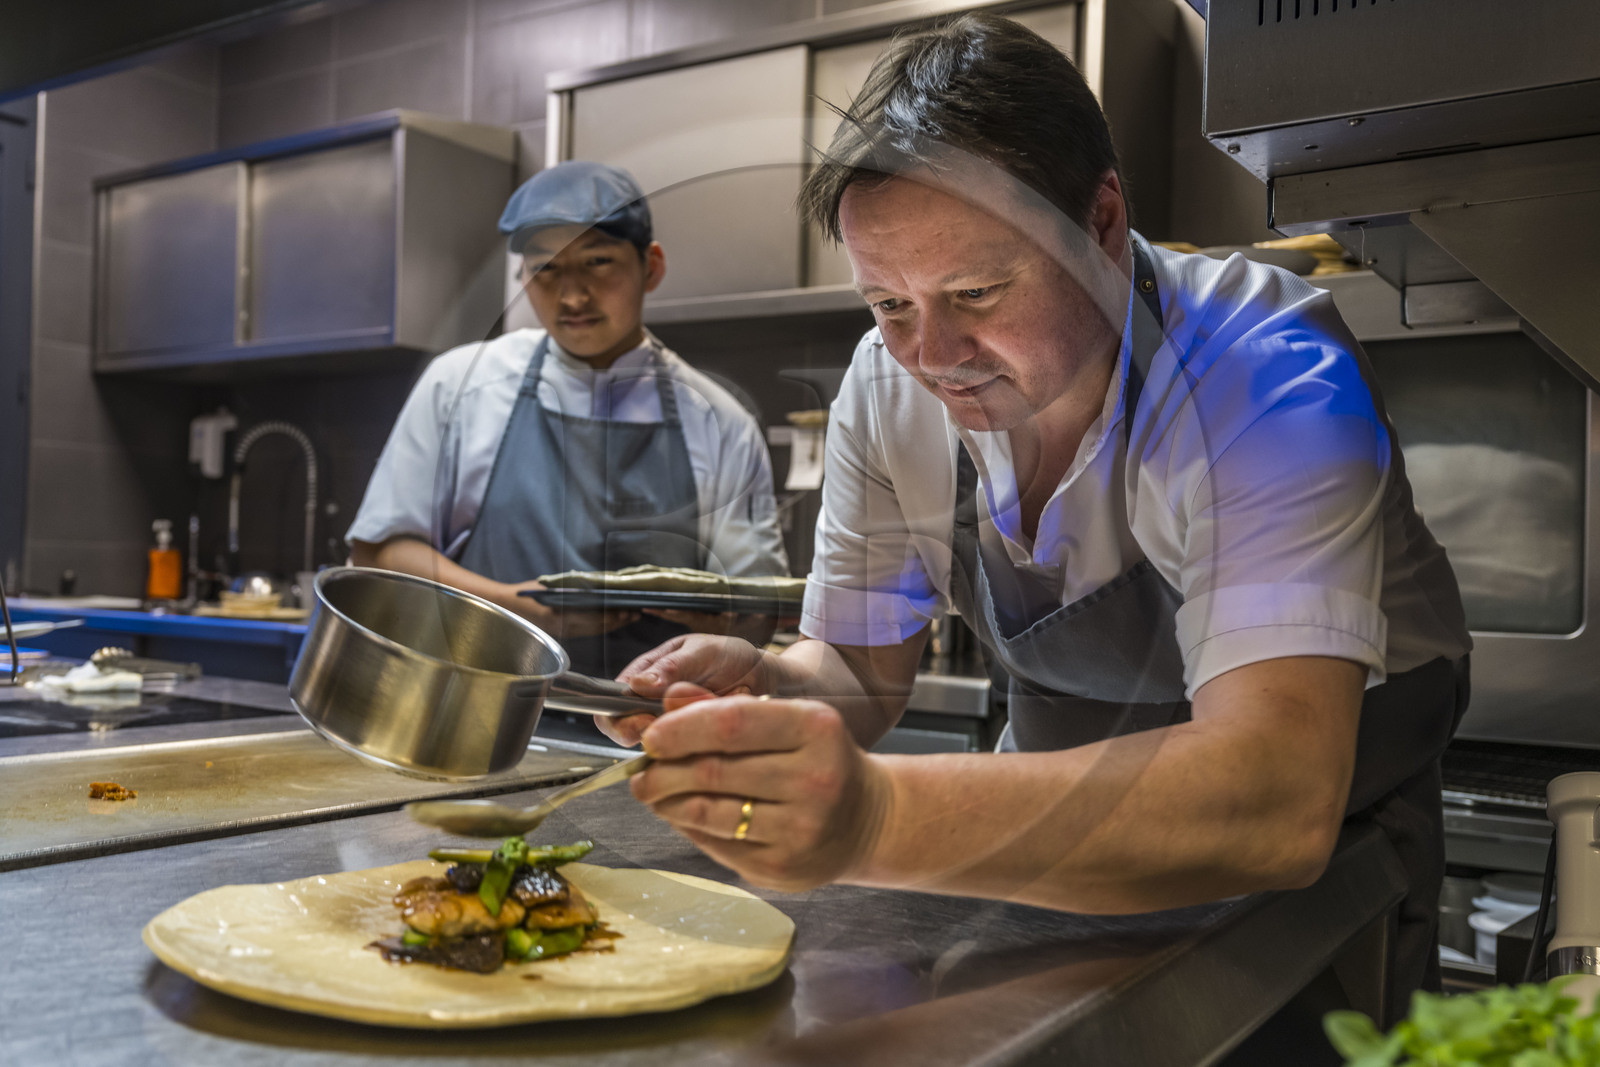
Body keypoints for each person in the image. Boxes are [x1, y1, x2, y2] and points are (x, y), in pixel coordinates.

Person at [602, 14, 1471, 1020]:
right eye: (889, 303)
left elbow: (1273, 795)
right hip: (1051, 865)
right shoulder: (885, 392)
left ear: (1101, 222)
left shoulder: (1261, 369)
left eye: (976, 290)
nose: (932, 355)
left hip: (1317, 890)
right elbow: (858, 669)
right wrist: (768, 688)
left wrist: (876, 816)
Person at [348, 161, 789, 677]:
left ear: (651, 266)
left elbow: (761, 610)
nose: (572, 296)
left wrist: (716, 615)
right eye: (545, 269)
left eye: (598, 262)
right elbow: (380, 554)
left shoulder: (721, 421)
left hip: (654, 714)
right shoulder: (461, 385)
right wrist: (519, 609)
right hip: (482, 707)